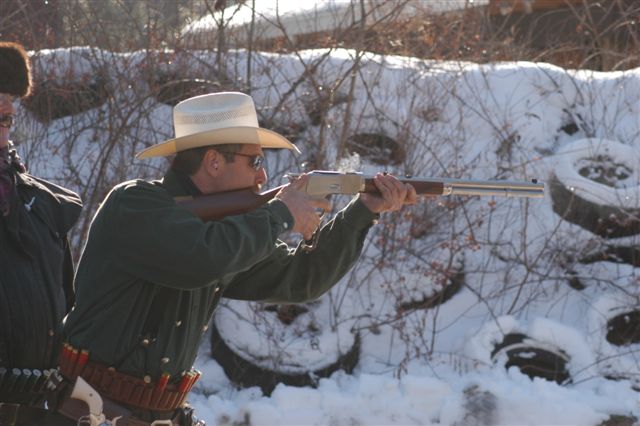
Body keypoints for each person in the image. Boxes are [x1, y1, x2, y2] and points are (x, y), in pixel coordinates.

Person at [59, 91, 417, 426]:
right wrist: (279, 215)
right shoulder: (135, 204)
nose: (263, 175)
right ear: (214, 161)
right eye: (255, 161)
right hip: (84, 408)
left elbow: (301, 278)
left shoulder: (227, 231)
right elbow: (200, 258)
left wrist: (364, 210)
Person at [0, 42, 83, 425]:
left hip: (34, 410)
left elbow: (65, 303)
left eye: (6, 121)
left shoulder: (36, 204)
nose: (4, 134)